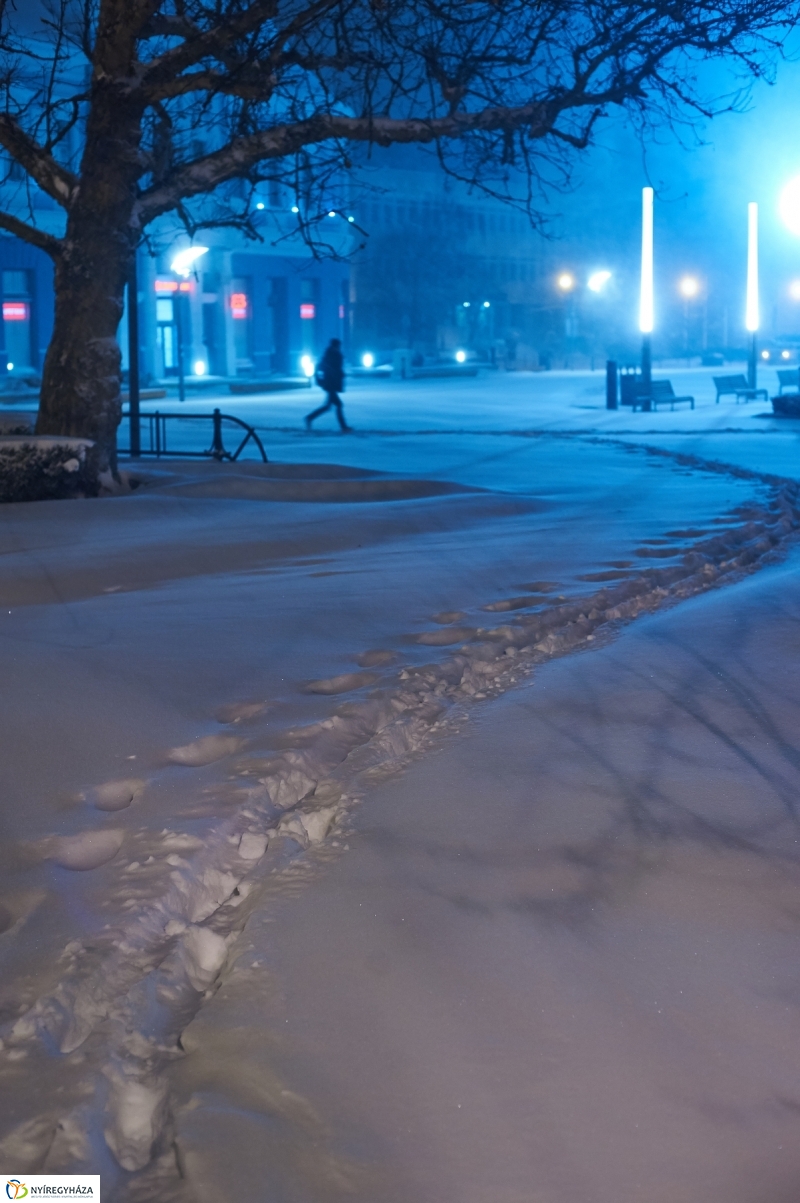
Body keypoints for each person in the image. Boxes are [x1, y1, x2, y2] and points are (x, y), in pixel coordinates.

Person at [305, 338, 351, 432]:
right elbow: (325, 368)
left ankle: (310, 418)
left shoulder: (332, 355)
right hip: (330, 384)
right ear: (335, 346)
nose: (339, 347)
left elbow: (335, 369)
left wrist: (340, 374)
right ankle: (343, 427)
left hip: (331, 384)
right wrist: (323, 379)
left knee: (328, 406)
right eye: (338, 346)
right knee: (338, 404)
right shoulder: (330, 355)